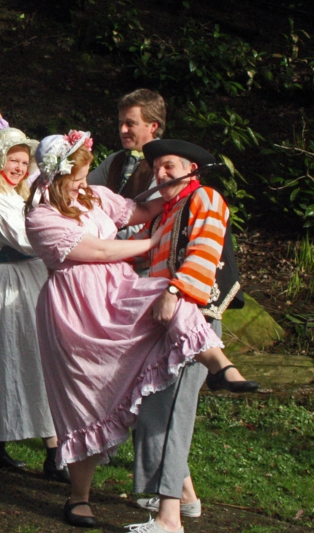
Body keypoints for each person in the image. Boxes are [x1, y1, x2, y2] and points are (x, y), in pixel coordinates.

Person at [23, 130, 258, 529]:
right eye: (76, 177)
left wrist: (182, 187)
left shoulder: (95, 197)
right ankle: (79, 497)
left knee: (169, 300)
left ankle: (221, 366)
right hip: (75, 308)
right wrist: (152, 244)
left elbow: (145, 210)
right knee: (85, 400)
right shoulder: (40, 216)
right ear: (55, 177)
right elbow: (98, 250)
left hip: (117, 292)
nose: (83, 183)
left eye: (83, 175)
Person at [126, 139, 246, 533]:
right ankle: (187, 499)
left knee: (170, 415)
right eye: (157, 168)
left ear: (191, 169)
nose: (160, 174)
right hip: (166, 322)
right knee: (155, 410)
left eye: (169, 166)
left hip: (195, 320)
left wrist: (175, 291)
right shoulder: (167, 212)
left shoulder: (205, 197)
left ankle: (169, 519)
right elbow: (141, 257)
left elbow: (205, 251)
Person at [0, 128, 69, 481]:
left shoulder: (17, 194)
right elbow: (26, 239)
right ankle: (54, 452)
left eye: (25, 163)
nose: (20, 168)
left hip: (28, 279)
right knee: (19, 357)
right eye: (13, 160)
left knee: (26, 357)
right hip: (7, 281)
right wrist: (63, 233)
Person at [87, 88, 165, 199]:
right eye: (121, 123)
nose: (123, 130)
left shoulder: (164, 164)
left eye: (130, 123)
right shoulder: (114, 160)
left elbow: (154, 207)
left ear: (153, 127)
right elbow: (83, 190)